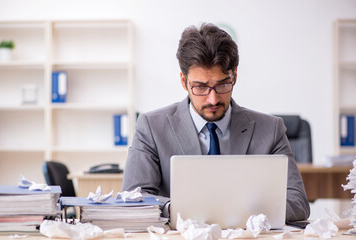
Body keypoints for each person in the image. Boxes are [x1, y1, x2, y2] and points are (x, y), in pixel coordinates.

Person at [122, 23, 310, 222]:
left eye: (222, 85)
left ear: (234, 76)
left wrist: (240, 213)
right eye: (200, 87)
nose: (213, 99)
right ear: (183, 81)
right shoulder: (151, 127)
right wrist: (176, 210)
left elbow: (298, 202)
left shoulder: (271, 130)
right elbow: (134, 198)